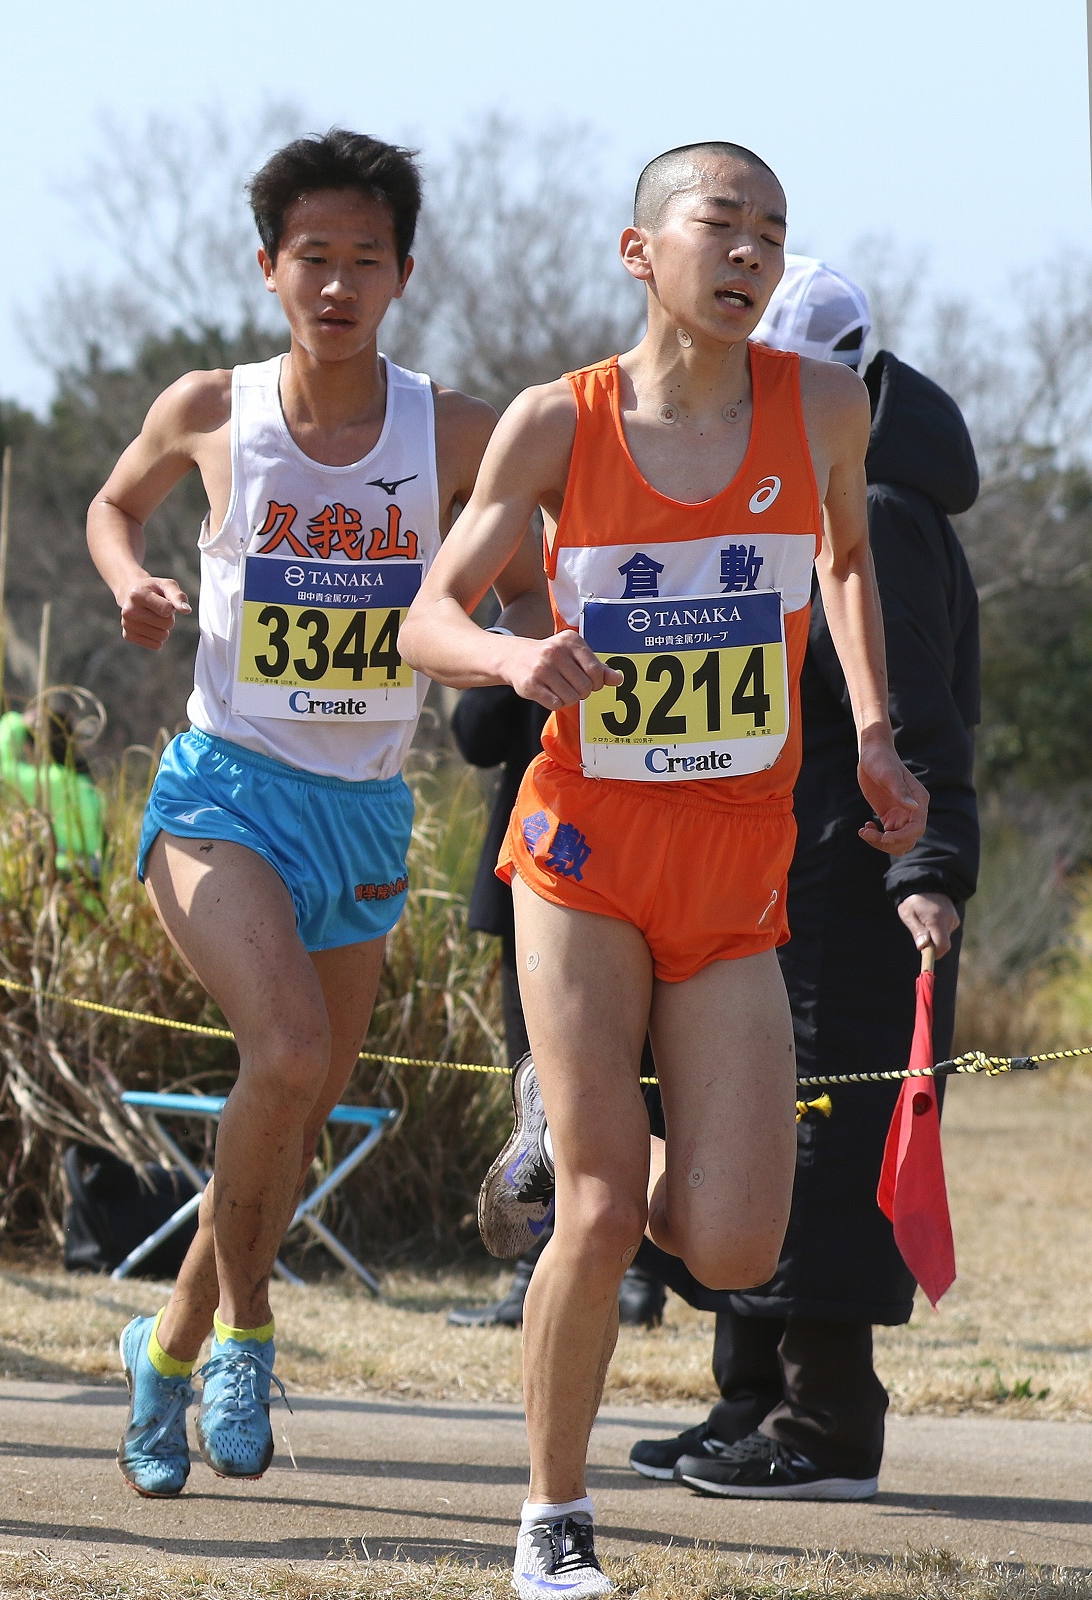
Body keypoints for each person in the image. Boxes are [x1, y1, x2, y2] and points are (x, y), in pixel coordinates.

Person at [396, 142, 929, 1597]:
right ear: (644, 252)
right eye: (723, 223)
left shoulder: (818, 403)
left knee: (738, 1232)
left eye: (773, 230)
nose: (751, 250)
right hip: (581, 857)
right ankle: (551, 1522)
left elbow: (848, 563)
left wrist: (875, 736)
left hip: (736, 866)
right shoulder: (557, 426)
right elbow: (427, 619)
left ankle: (590, 1143)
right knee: (596, 1209)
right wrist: (515, 651)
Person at [86, 129, 500, 1499]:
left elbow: (533, 577)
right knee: (289, 1047)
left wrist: (524, 649)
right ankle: (253, 1335)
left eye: (362, 261)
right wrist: (132, 583)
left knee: (288, 1102)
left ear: (403, 275)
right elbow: (112, 504)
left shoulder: (454, 432)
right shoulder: (215, 405)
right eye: (310, 257)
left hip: (366, 813)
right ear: (268, 268)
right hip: (225, 795)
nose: (336, 283)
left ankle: (169, 1341)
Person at [628, 257, 981, 1500]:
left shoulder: (879, 512)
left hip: (854, 885)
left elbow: (925, 726)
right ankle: (748, 1397)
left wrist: (930, 872)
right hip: (762, 877)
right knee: (738, 1121)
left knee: (823, 1143)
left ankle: (826, 1422)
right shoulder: (786, 492)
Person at [443, 687, 666, 1333]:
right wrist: (512, 642)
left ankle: (641, 1274)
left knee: (647, 1078)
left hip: (652, 866)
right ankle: (531, 1265)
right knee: (536, 1085)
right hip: (543, 867)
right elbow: (476, 738)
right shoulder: (538, 606)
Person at [0, 708, 105, 874]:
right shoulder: (84, 779)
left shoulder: (51, 781)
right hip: (94, 870)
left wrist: (16, 722)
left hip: (66, 872)